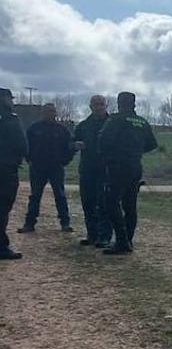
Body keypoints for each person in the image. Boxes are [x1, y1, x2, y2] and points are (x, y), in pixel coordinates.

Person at [97, 91, 158, 255]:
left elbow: (103, 141)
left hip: (118, 166)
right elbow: (152, 144)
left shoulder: (116, 119)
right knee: (130, 205)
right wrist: (135, 151)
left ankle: (122, 241)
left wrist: (110, 155)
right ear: (134, 103)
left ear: (119, 103)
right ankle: (128, 240)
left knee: (111, 202)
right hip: (135, 166)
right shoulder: (142, 122)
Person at [17, 102, 74, 234]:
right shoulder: (34, 128)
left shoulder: (62, 130)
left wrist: (65, 161)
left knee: (60, 195)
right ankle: (29, 224)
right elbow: (26, 145)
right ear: (42, 113)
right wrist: (29, 159)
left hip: (56, 167)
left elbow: (70, 146)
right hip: (37, 167)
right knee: (35, 196)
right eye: (48, 111)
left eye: (53, 111)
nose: (51, 114)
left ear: (56, 113)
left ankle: (65, 223)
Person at [73, 95, 112, 247]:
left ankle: (105, 236)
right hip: (87, 169)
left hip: (106, 170)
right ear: (90, 106)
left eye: (101, 104)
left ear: (106, 105)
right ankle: (92, 234)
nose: (99, 107)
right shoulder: (83, 125)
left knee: (104, 204)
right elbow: (71, 142)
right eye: (95, 104)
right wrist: (75, 144)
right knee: (88, 203)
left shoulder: (112, 124)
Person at [0, 88, 27, 260]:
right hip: (5, 168)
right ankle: (1, 247)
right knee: (2, 207)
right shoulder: (11, 119)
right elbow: (21, 144)